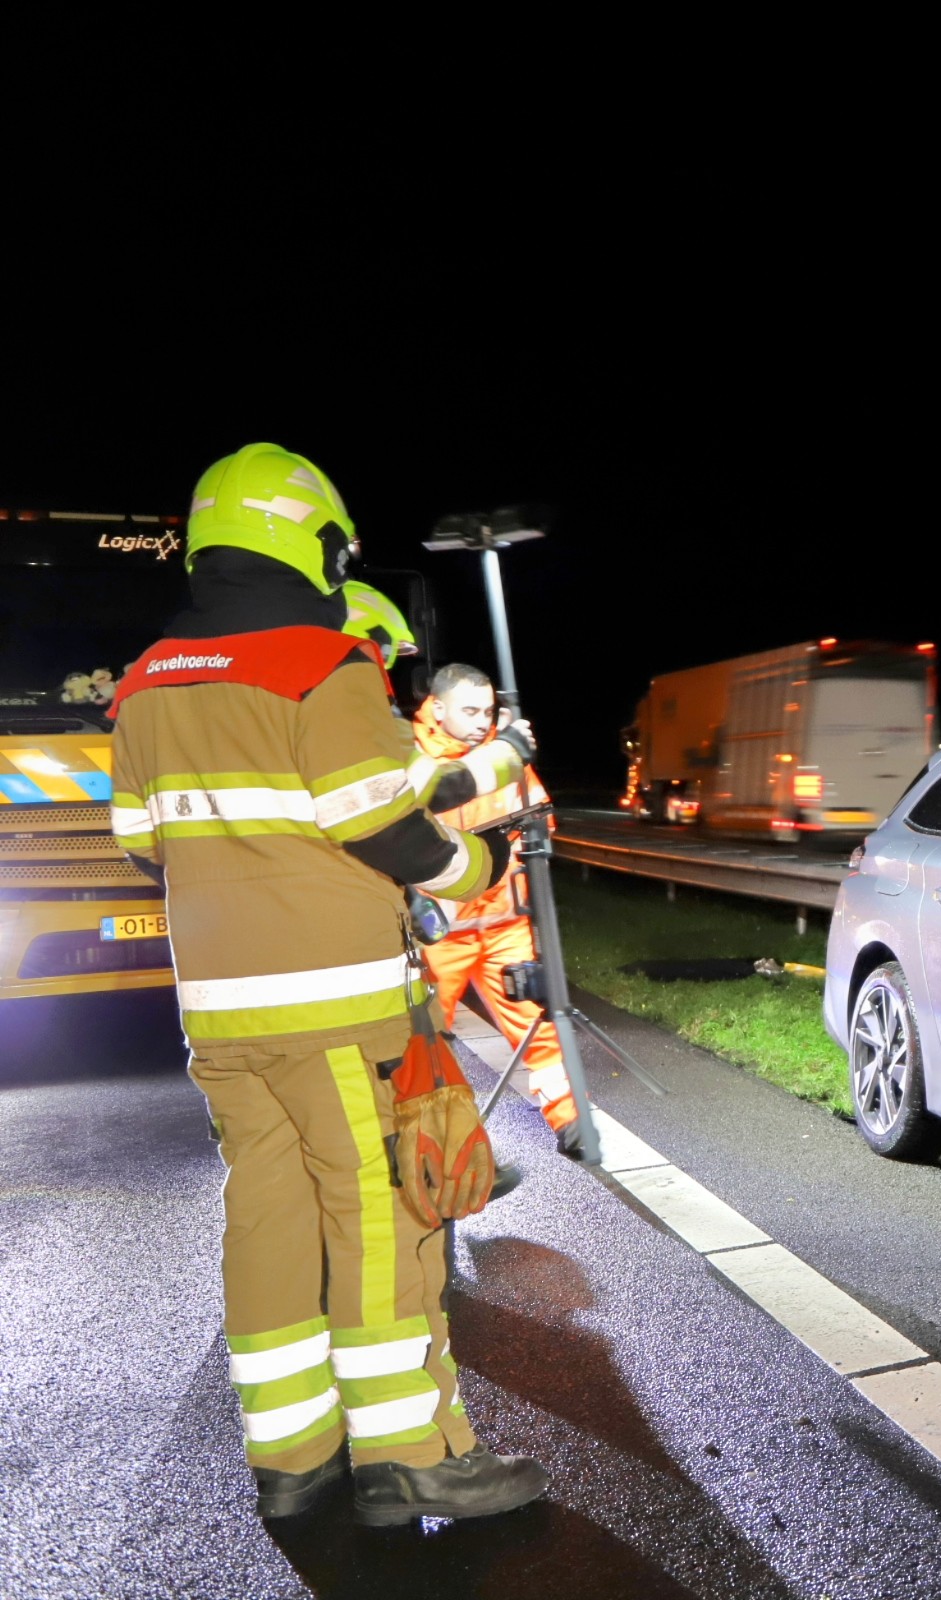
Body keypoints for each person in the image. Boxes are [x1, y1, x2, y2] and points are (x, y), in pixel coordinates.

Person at [109, 442, 550, 1526]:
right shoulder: (321, 661)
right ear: (314, 544)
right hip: (339, 1007)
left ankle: (294, 1460)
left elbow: (140, 843)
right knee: (382, 1216)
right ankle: (411, 1458)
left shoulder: (147, 680)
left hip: (221, 1015)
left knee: (267, 1215)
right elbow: (383, 823)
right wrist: (481, 865)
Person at [409, 662, 583, 1154]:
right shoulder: (412, 760)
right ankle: (424, 1145)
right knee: (420, 1041)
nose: (482, 721)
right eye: (470, 711)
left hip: (504, 925)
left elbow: (540, 822)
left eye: (488, 711)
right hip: (438, 932)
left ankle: (571, 1121)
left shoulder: (504, 756)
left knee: (537, 1027)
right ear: (436, 709)